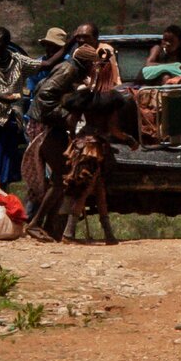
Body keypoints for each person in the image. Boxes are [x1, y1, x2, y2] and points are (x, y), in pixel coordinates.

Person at [23, 44, 99, 240]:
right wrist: (65, 114)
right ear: (87, 63)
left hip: (53, 125)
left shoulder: (73, 72)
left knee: (60, 178)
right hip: (48, 125)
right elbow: (45, 95)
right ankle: (35, 223)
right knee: (59, 178)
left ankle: (47, 226)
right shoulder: (68, 70)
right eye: (93, 65)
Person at [0, 28, 63, 187]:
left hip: (10, 121)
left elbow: (47, 64)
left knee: (6, 170)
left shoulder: (18, 61)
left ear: (6, 44)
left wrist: (70, 44)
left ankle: (3, 200)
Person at [59, 89, 138, 245]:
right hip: (93, 149)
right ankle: (68, 233)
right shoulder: (111, 107)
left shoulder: (85, 105)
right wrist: (130, 140)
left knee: (99, 190)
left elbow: (71, 122)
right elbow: (114, 130)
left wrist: (75, 139)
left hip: (81, 145)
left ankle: (109, 235)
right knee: (85, 190)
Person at [24, 26, 69, 113]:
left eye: (54, 46)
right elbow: (32, 90)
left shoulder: (69, 64)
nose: (50, 49)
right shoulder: (38, 64)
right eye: (48, 45)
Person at [73, 22, 122, 91]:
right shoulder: (76, 51)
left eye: (86, 37)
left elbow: (109, 77)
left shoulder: (104, 50)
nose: (81, 40)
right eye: (78, 37)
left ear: (95, 37)